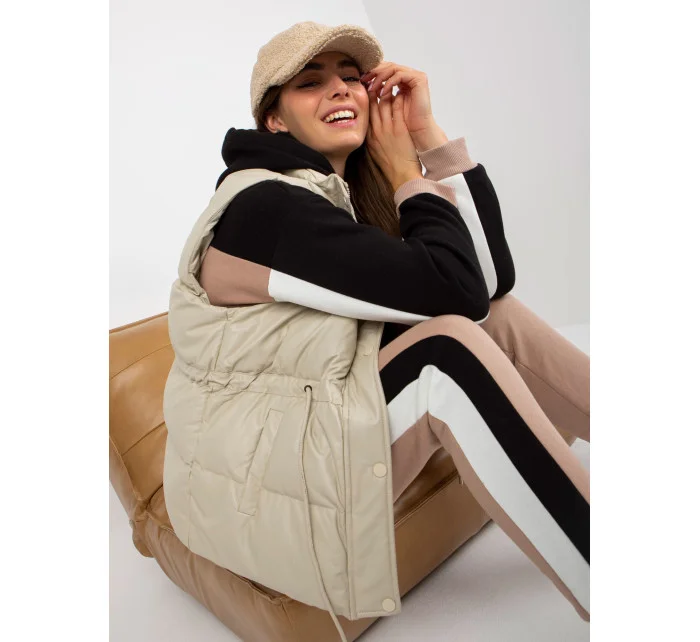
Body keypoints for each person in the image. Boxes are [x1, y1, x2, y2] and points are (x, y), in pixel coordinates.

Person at [163, 21, 589, 642]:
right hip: (255, 485)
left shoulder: (333, 199)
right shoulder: (264, 209)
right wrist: (406, 172)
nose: (340, 89)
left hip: (308, 427)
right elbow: (456, 293)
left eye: (350, 77)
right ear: (274, 120)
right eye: (311, 83)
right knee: (445, 355)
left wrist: (428, 136)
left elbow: (489, 286)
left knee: (495, 321)